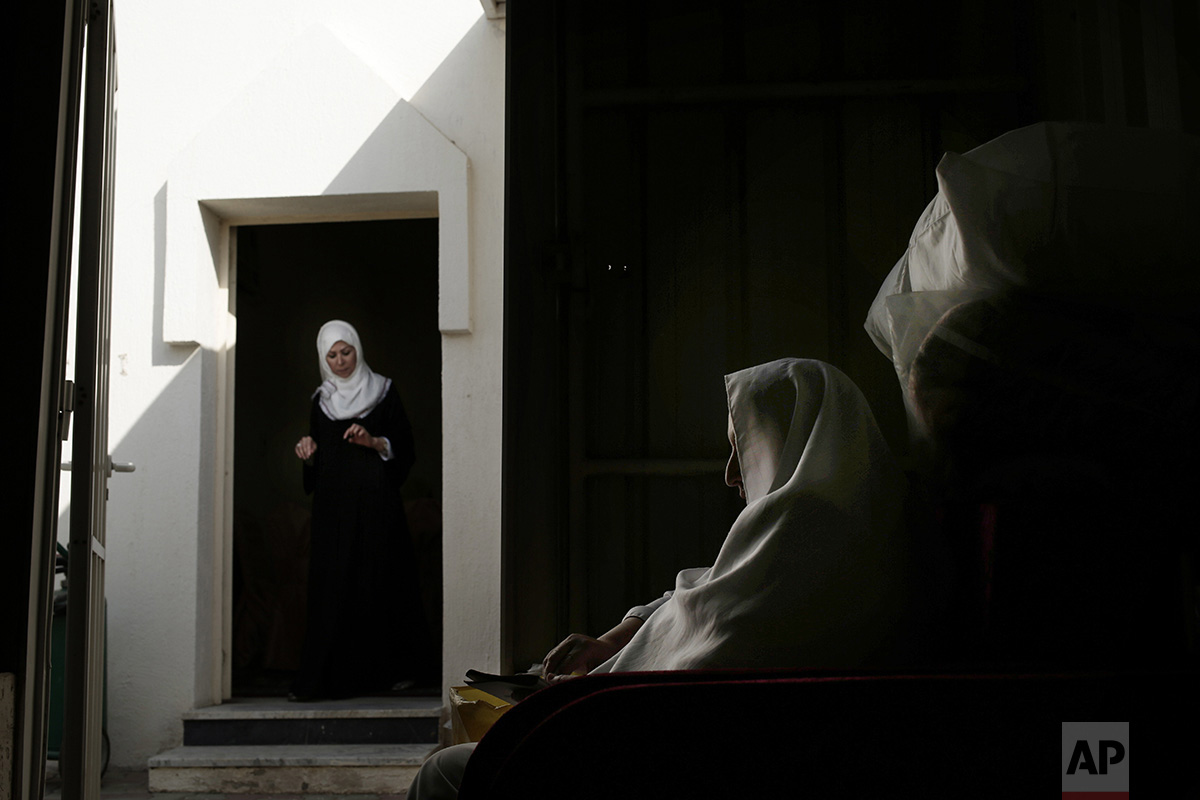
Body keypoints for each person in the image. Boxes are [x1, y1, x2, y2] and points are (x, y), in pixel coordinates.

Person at [408, 358, 938, 799]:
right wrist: (620, 639)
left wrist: (589, 690)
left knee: (444, 772)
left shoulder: (806, 528)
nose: (732, 472)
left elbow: (710, 644)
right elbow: (709, 591)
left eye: (743, 448)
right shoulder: (844, 517)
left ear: (790, 439)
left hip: (697, 749)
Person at [290, 319, 426, 701]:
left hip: (376, 506)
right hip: (333, 512)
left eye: (345, 351)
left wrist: (373, 441)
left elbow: (406, 449)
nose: (340, 361)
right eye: (331, 355)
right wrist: (307, 453)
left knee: (379, 579)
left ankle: (389, 674)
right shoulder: (321, 400)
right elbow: (316, 461)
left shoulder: (383, 391)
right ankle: (333, 679)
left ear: (357, 349)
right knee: (334, 586)